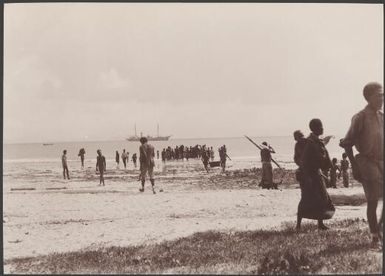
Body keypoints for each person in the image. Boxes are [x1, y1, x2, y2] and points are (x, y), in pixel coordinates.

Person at [339, 82, 383, 248]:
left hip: (381, 163)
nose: (382, 98)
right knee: (372, 202)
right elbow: (347, 143)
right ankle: (374, 238)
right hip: (366, 163)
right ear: (369, 97)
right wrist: (354, 166)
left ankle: (380, 231)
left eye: (383, 95)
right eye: (378, 95)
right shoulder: (360, 117)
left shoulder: (382, 116)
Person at [297, 119, 335, 231]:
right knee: (306, 199)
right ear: (315, 128)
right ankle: (298, 225)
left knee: (322, 199)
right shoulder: (310, 142)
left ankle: (320, 224)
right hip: (308, 174)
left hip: (316, 174)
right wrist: (307, 177)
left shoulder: (317, 141)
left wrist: (323, 174)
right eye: (321, 127)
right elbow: (303, 161)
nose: (323, 129)